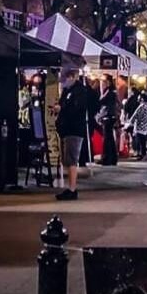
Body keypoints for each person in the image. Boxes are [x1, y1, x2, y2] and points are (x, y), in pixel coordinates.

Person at [55, 70, 87, 201]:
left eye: (66, 78)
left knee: (71, 160)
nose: (64, 81)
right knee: (68, 160)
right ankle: (70, 188)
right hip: (67, 129)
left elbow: (76, 109)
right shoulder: (67, 91)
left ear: (73, 77)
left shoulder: (79, 91)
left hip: (74, 130)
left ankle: (72, 189)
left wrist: (62, 108)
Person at [97, 75, 119, 166]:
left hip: (108, 116)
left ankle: (107, 158)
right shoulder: (112, 91)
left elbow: (101, 101)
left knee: (107, 139)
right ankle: (112, 158)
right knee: (109, 138)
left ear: (108, 82)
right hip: (110, 116)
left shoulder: (109, 92)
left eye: (104, 81)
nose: (102, 83)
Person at [127, 93, 147, 160]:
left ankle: (141, 154)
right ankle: (142, 154)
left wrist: (130, 123)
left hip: (140, 126)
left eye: (139, 98)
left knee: (140, 141)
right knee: (142, 141)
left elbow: (136, 115)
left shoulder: (142, 106)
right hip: (145, 126)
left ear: (142, 99)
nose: (138, 99)